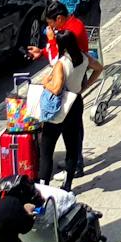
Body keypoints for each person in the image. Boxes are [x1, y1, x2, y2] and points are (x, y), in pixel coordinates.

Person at [33, 28, 89, 190]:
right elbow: (98, 68)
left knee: (46, 151)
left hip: (60, 110)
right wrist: (84, 86)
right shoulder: (83, 57)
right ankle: (68, 185)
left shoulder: (62, 63)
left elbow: (57, 88)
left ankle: (43, 188)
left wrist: (45, 82)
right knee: (71, 148)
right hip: (76, 103)